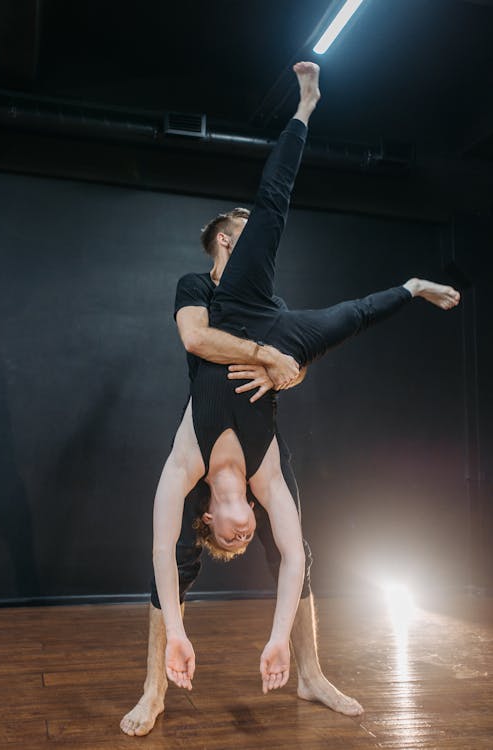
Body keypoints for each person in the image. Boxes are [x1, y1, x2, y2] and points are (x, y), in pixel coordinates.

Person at [120, 61, 459, 736]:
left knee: (288, 223)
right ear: (224, 240)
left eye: (232, 532)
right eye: (240, 231)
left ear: (219, 522)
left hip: (270, 330)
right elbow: (196, 340)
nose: (239, 531)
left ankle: (308, 672)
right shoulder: (198, 283)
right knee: (350, 313)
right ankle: (155, 687)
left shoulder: (195, 465)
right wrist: (271, 359)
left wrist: (286, 366)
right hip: (256, 333)